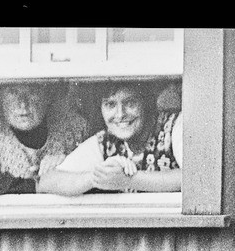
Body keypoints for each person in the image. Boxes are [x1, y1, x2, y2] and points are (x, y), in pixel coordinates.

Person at [41, 81, 183, 196]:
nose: (120, 114)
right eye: (110, 105)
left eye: (130, 103)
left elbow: (193, 178)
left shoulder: (174, 125)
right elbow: (46, 182)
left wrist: (128, 180)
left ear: (146, 103)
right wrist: (99, 176)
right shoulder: (107, 140)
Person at [0, 82, 88, 196]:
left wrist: (67, 163)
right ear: (0, 97)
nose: (22, 104)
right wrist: (37, 184)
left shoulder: (72, 124)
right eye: (13, 92)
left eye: (32, 92)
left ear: (47, 96)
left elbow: (95, 174)